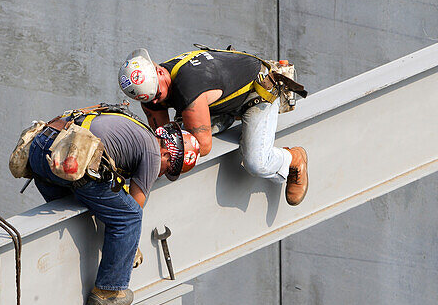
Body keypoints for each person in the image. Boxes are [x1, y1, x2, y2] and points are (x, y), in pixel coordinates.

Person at [27, 105, 199, 305]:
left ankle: (62, 274)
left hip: (40, 151)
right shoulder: (154, 153)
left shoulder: (134, 128)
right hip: (70, 158)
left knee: (84, 208)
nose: (161, 175)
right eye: (167, 169)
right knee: (130, 217)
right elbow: (134, 207)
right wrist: (130, 247)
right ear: (167, 155)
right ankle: (108, 292)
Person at [118, 47, 309, 205]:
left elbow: (203, 144)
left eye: (159, 94)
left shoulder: (188, 85)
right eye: (152, 98)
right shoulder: (151, 93)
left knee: (256, 162)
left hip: (256, 91)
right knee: (177, 139)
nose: (157, 100)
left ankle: (293, 159)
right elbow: (161, 140)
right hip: (220, 101)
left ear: (158, 71)